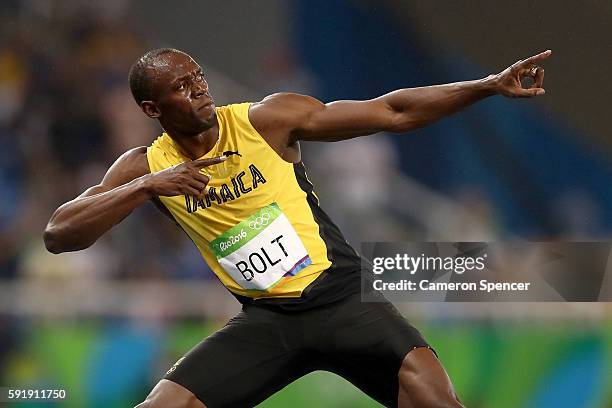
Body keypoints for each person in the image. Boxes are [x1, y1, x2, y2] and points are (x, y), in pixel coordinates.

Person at [44, 47, 550, 408]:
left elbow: (392, 112)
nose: (198, 89)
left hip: (346, 303)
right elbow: (58, 234)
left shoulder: (267, 120)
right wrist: (148, 187)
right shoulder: (144, 167)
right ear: (152, 109)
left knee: (435, 399)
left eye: (197, 76)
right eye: (181, 86)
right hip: (266, 323)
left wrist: (485, 86)